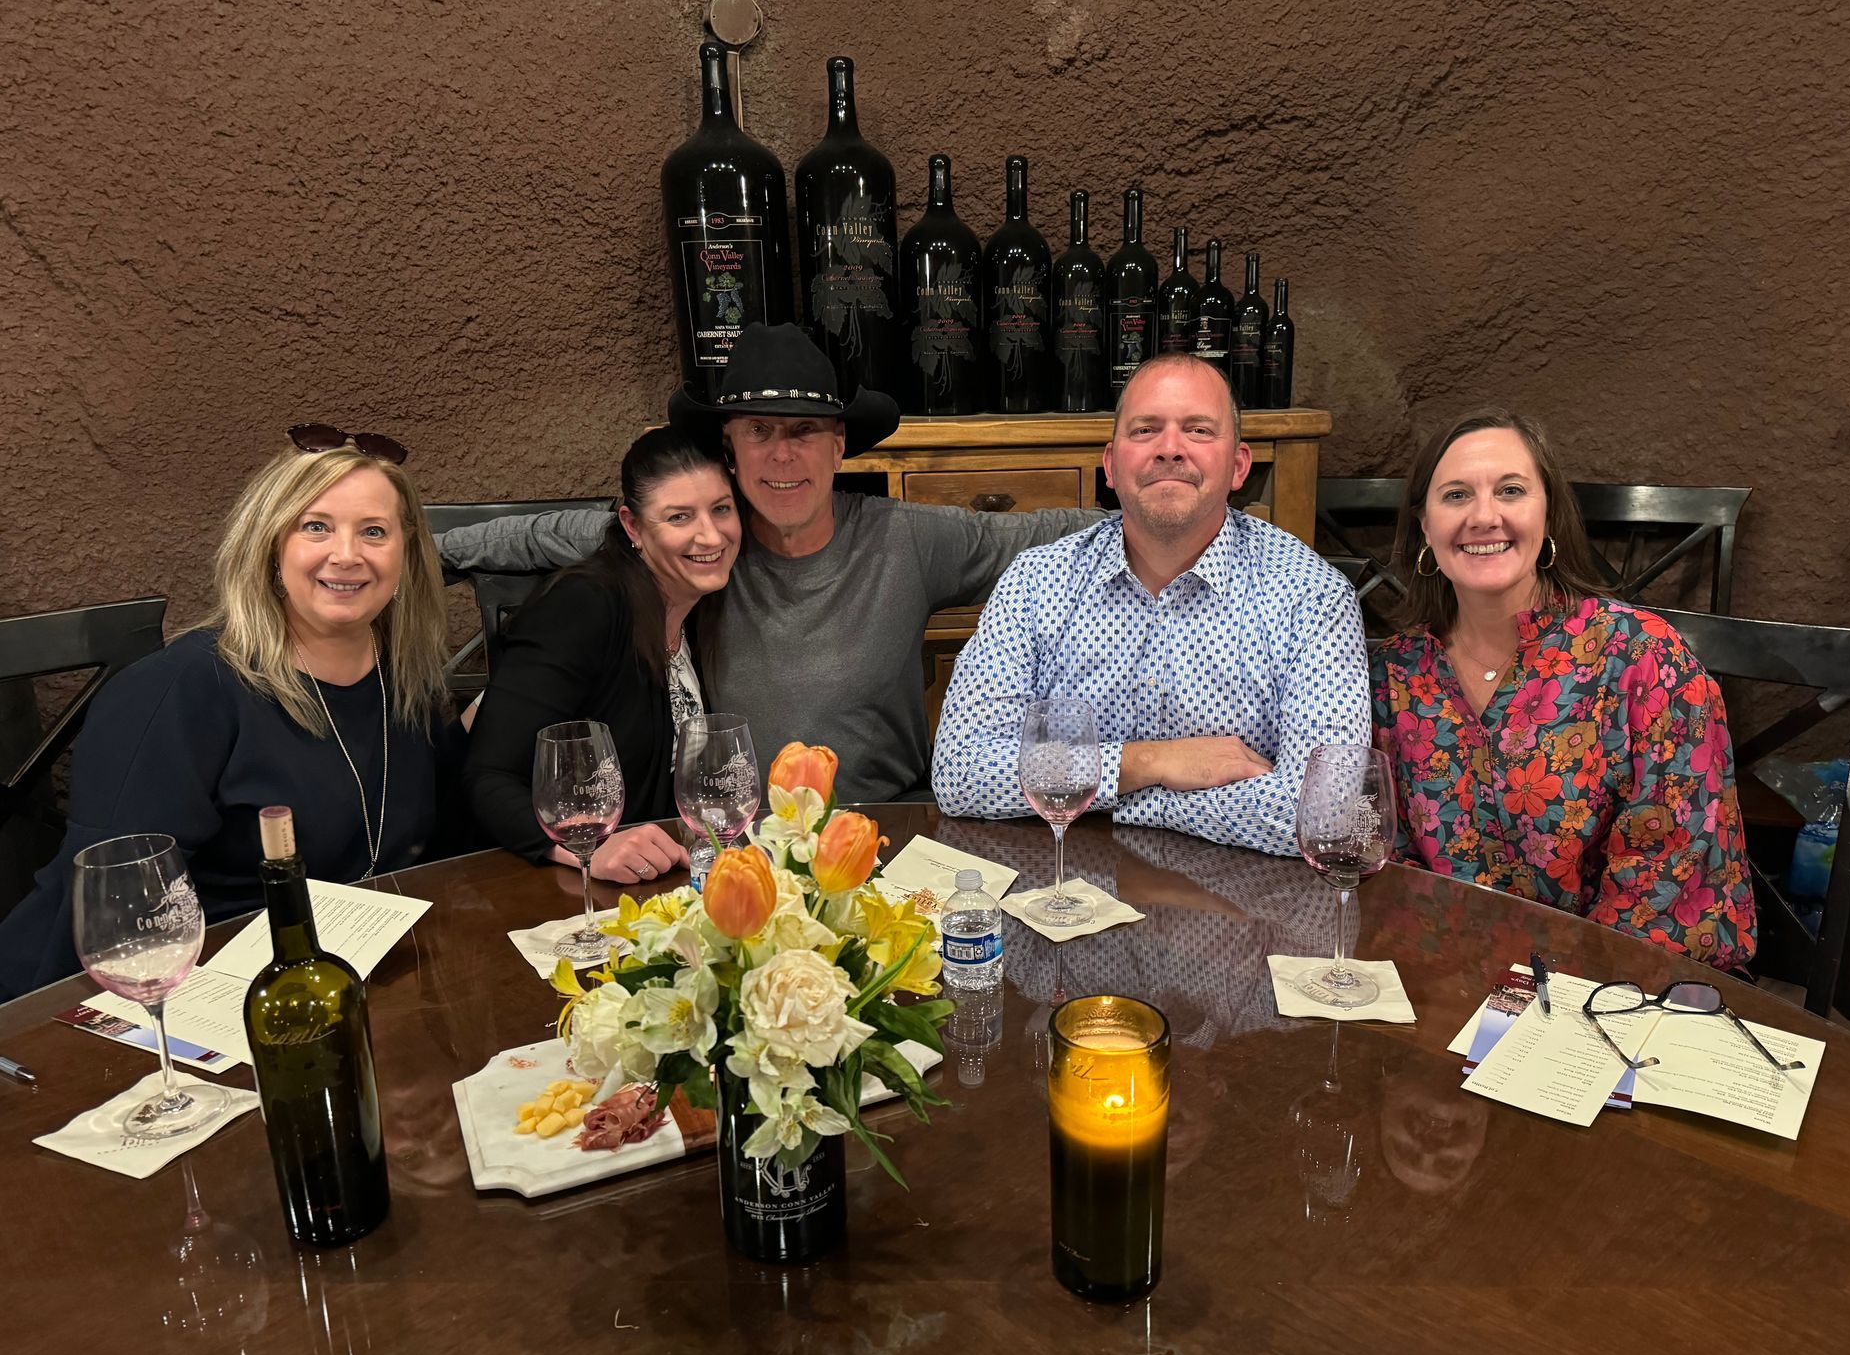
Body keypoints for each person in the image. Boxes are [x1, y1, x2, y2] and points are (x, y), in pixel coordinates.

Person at [435, 322, 1101, 803]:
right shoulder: (704, 546)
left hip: (890, 820)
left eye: (804, 432)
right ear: (729, 450)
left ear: (839, 448)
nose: (782, 456)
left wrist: (1183, 525)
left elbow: (1047, 533)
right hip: (740, 836)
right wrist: (419, 553)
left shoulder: (909, 539)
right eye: (759, 432)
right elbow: (544, 535)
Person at [0, 427, 456, 1001]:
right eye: (315, 527)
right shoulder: (181, 689)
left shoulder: (407, 677)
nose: (347, 554)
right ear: (270, 545)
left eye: (374, 531)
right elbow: (113, 915)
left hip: (351, 978)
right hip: (187, 995)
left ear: (406, 553)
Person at [930, 353, 1370, 857]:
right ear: (1112, 466)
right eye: (1145, 430)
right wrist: (1150, 763)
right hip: (1065, 906)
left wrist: (1117, 802)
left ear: (1239, 466)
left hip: (1239, 917)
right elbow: (961, 770)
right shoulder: (1036, 583)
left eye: (1199, 430)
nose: (1170, 449)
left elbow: (1331, 812)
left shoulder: (1311, 596)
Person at [1370, 408, 1757, 971]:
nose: (1484, 516)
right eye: (1455, 495)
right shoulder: (1393, 676)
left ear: (1549, 514)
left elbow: (1668, 888)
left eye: (1511, 490)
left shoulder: (1642, 662)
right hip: (1433, 986)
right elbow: (1383, 867)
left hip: (1606, 1002)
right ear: (1424, 526)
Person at [464, 424, 738, 881]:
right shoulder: (585, 605)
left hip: (649, 884)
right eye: (679, 517)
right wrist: (590, 848)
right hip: (534, 887)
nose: (710, 536)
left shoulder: (697, 605)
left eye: (721, 509)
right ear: (633, 526)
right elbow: (485, 778)